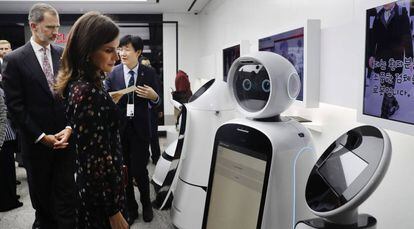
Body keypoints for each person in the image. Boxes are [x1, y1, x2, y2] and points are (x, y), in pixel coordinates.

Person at [2, 3, 76, 229]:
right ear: (33, 26)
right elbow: (15, 106)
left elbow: (71, 95)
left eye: (57, 27)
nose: (56, 32)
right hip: (36, 145)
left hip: (64, 142)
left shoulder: (62, 54)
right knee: (42, 200)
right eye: (50, 27)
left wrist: (70, 128)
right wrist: (41, 135)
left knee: (66, 198)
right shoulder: (14, 59)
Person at [55, 11, 129, 229]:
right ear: (87, 51)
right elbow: (93, 162)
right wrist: (113, 210)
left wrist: (105, 104)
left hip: (99, 189)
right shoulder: (87, 91)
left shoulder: (85, 82)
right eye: (108, 50)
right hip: (102, 197)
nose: (116, 57)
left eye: (116, 50)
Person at [105, 35, 159, 224]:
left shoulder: (149, 73)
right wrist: (111, 99)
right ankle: (130, 207)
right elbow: (105, 99)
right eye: (120, 49)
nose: (122, 53)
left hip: (141, 130)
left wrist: (154, 97)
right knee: (124, 172)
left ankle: (146, 204)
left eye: (127, 49)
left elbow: (157, 102)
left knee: (139, 170)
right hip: (120, 130)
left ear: (138, 52)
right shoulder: (113, 72)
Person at [368, 1, 413, 118]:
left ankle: (384, 115)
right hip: (381, 58)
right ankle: (395, 104)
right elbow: (374, 38)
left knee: (388, 86)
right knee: (384, 85)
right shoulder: (379, 15)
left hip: (395, 57)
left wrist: (410, 59)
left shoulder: (401, 13)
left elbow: (407, 37)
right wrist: (371, 55)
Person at [140, 57, 161, 164]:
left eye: (149, 65)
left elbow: (159, 94)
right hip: (142, 112)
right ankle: (145, 157)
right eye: (145, 65)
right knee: (143, 137)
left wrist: (160, 108)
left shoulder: (154, 77)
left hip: (152, 111)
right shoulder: (138, 78)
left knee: (154, 136)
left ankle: (156, 157)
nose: (148, 67)